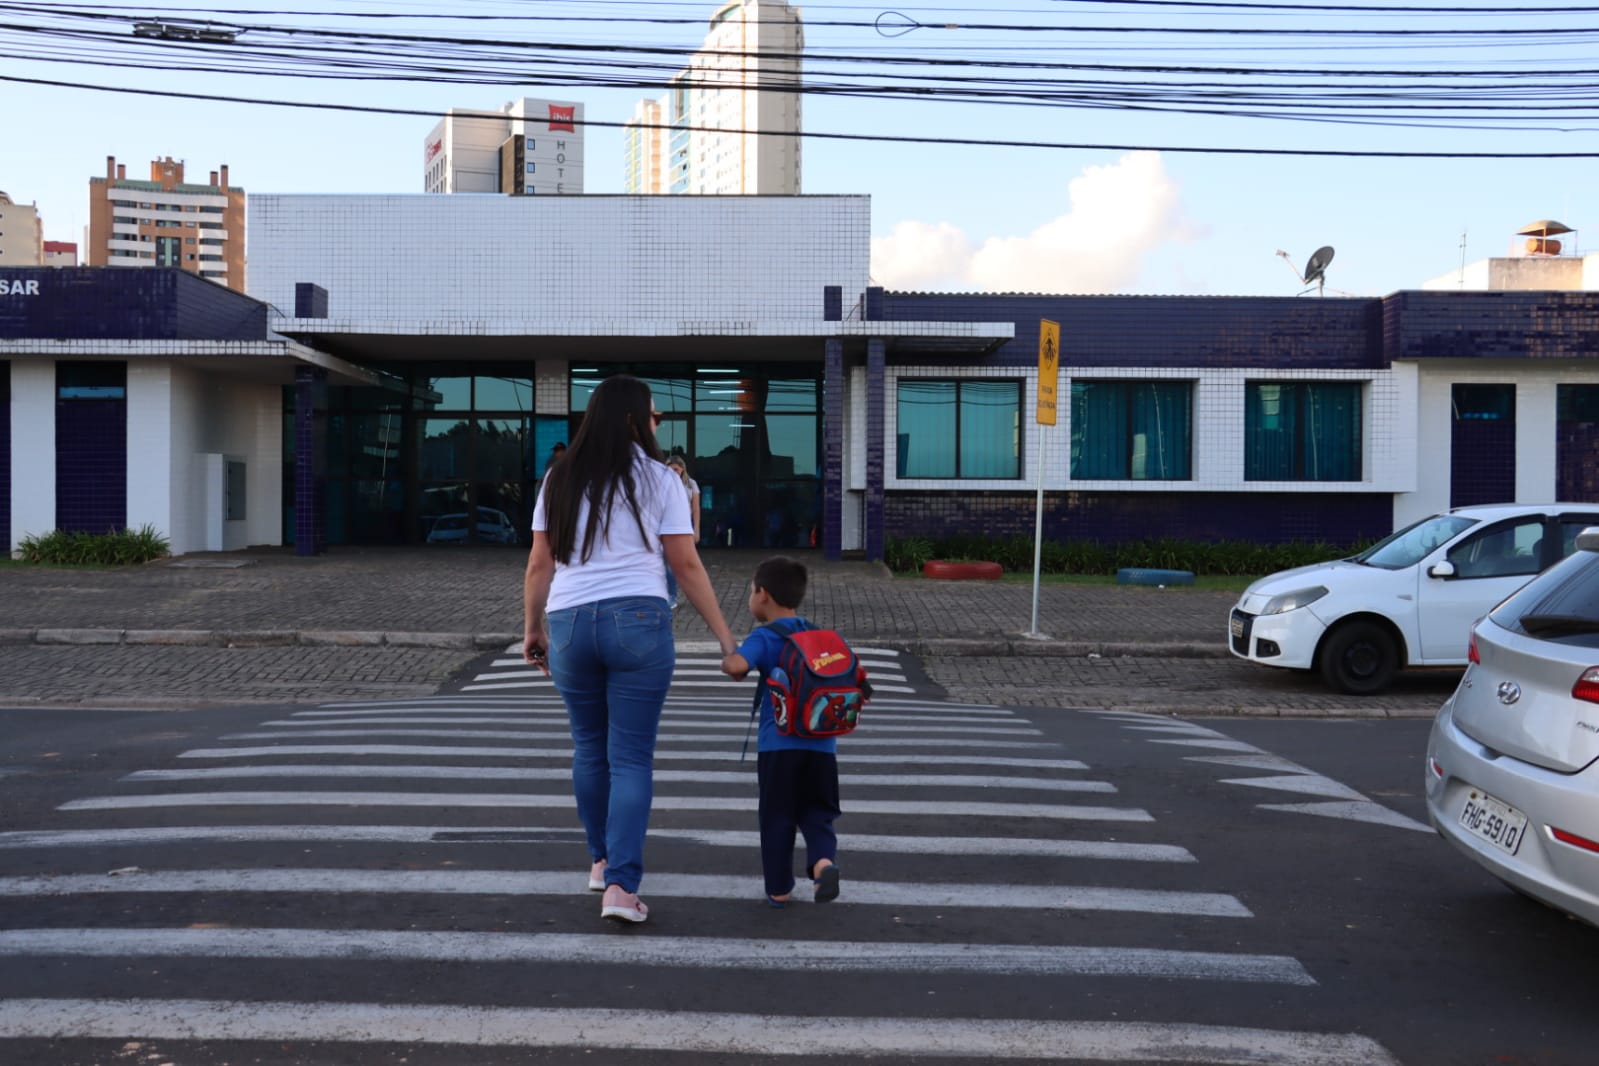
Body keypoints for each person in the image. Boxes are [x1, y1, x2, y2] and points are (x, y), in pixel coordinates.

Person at [523, 375, 737, 925]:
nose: (656, 423)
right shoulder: (659, 479)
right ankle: (621, 886)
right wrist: (725, 638)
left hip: (568, 621)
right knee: (632, 757)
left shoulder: (558, 476)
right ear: (634, 420)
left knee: (589, 748)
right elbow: (685, 564)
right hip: (638, 620)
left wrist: (532, 628)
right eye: (653, 415)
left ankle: (600, 862)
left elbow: (539, 563)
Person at [720, 555, 842, 907]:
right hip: (822, 747)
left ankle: (779, 888)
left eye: (751, 590)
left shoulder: (765, 637)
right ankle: (822, 864)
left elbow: (739, 665)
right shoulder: (818, 635)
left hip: (779, 747)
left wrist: (730, 657)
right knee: (818, 811)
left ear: (764, 594)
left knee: (777, 816)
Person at [663, 455, 702, 608]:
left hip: (683, 528)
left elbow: (696, 508)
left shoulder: (690, 485)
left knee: (686, 564)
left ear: (682, 469)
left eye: (675, 470)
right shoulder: (662, 484)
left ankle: (696, 595)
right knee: (666, 563)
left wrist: (696, 529)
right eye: (669, 470)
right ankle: (670, 595)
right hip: (666, 527)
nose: (672, 473)